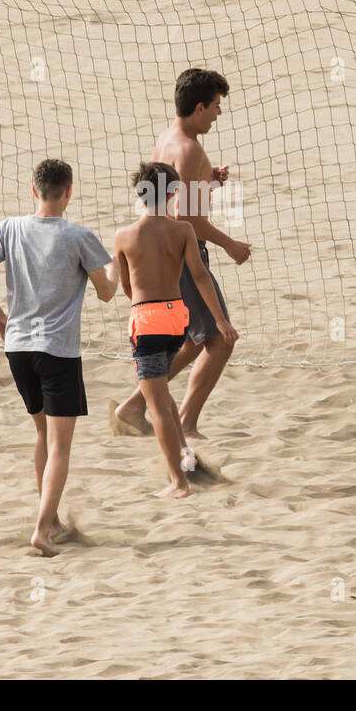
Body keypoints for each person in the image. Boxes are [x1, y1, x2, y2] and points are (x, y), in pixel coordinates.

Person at [0, 159, 119, 555]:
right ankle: (41, 528)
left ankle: (51, 518)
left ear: (34, 191)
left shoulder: (9, 227)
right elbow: (107, 293)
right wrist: (116, 266)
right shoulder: (77, 236)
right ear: (68, 192)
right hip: (57, 350)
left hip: (17, 347)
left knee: (42, 435)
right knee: (60, 447)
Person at [110, 68, 250, 439]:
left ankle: (134, 407)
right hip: (183, 251)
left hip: (161, 246)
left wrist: (208, 180)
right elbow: (187, 219)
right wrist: (230, 244)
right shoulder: (190, 149)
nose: (219, 114)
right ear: (200, 107)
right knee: (219, 342)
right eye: (217, 106)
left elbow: (167, 193)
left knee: (190, 342)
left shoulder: (168, 137)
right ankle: (185, 422)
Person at [113, 161, 237, 497]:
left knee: (158, 407)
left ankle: (178, 483)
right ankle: (188, 464)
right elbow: (199, 277)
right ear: (172, 194)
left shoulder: (124, 236)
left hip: (147, 320)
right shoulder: (182, 231)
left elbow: (126, 286)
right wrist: (221, 321)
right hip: (177, 319)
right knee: (164, 400)